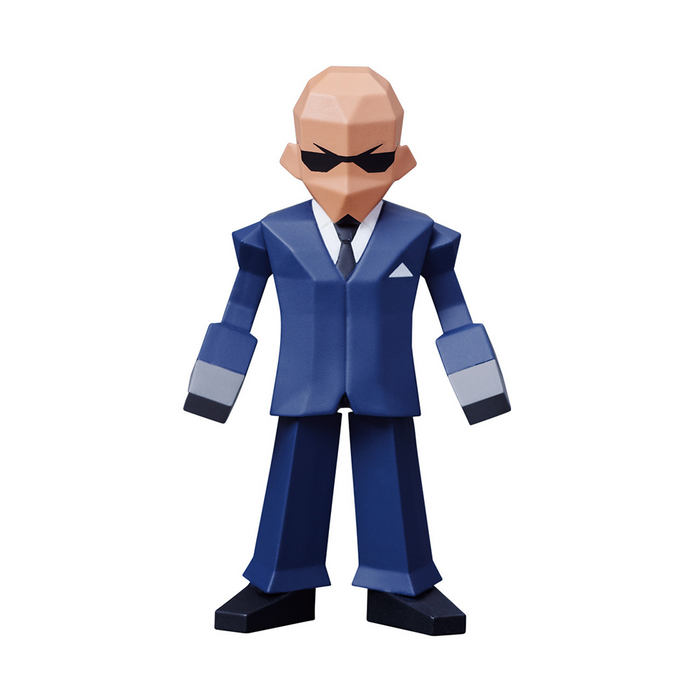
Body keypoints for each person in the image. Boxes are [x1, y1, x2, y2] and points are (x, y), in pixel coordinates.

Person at [185, 66, 510, 635]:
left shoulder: (420, 234)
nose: (347, 178)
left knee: (393, 483)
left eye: (371, 160)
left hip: (384, 383)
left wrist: (478, 390)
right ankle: (280, 581)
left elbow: (454, 313)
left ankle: (401, 582)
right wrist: (213, 390)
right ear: (294, 157)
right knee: (293, 482)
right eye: (323, 159)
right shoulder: (272, 234)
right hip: (302, 385)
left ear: (401, 160)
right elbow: (238, 314)